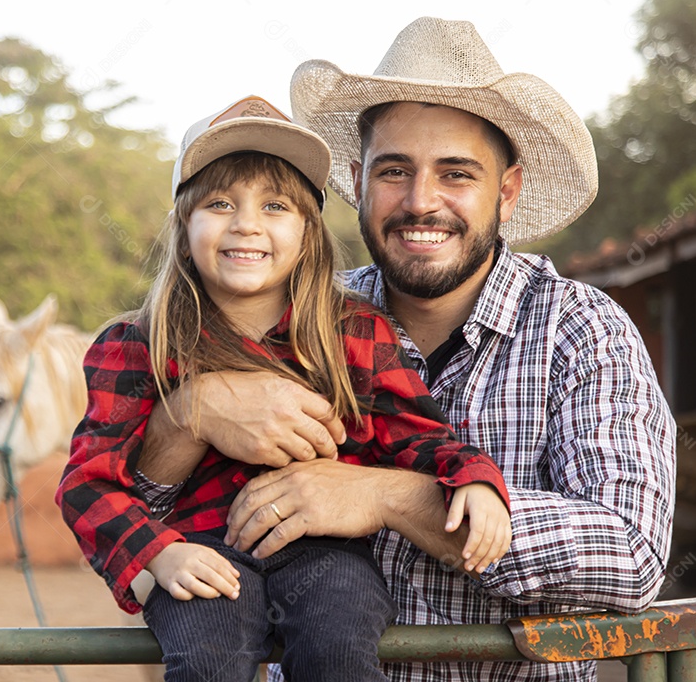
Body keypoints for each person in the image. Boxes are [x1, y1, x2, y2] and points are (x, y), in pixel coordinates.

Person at [133, 19, 677, 682]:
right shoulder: (287, 320)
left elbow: (632, 558)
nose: (422, 202)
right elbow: (136, 517)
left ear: (506, 191)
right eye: (395, 171)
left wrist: (392, 498)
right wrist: (191, 411)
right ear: (359, 180)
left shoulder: (582, 329)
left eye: (456, 174)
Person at [56, 94, 512, 682]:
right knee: (207, 660)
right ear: (183, 223)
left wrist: (475, 478)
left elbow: (418, 435)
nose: (246, 223)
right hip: (200, 550)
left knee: (340, 647)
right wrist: (157, 553)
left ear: (307, 233)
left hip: (324, 550)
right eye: (220, 203)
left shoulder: (352, 331)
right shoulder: (137, 343)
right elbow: (88, 483)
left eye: (275, 206)